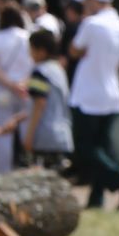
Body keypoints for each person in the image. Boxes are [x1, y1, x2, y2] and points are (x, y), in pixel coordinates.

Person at [67, 0, 119, 209]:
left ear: (95, 1)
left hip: (88, 95)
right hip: (111, 94)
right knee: (102, 149)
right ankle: (97, 199)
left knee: (85, 148)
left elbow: (74, 50)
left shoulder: (92, 24)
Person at [0, 2, 34, 172]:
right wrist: (21, 84)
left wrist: (10, 84)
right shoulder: (29, 37)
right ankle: (32, 167)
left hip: (3, 90)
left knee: (3, 132)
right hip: (26, 89)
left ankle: (2, 172)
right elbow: (35, 65)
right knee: (27, 129)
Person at [22, 28, 73, 169]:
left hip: (44, 135)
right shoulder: (58, 69)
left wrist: (29, 136)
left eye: (31, 49)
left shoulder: (39, 71)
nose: (30, 54)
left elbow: (40, 103)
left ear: (41, 51)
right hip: (62, 134)